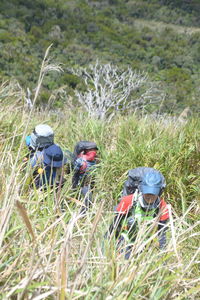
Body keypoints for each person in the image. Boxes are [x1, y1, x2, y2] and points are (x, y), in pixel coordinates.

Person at [105, 169, 169, 259]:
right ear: (141, 189)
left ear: (159, 192)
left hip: (146, 243)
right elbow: (115, 225)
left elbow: (162, 234)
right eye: (147, 193)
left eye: (153, 193)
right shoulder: (128, 201)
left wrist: (163, 257)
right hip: (126, 241)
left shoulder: (162, 206)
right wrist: (107, 244)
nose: (149, 196)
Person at [24, 124, 66, 188]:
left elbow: (28, 168)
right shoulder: (57, 150)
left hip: (41, 183)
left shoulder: (37, 157)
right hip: (52, 181)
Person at [72, 141, 98, 213]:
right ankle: (82, 214)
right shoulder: (80, 161)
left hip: (93, 184)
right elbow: (75, 174)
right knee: (88, 201)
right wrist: (74, 185)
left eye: (94, 150)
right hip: (84, 184)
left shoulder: (96, 160)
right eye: (91, 150)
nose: (93, 152)